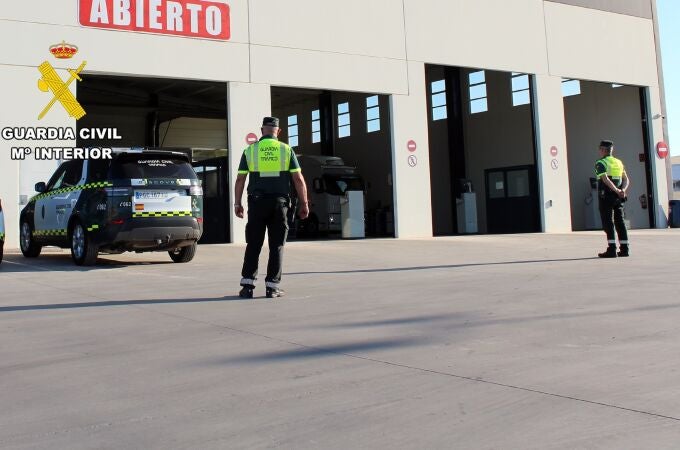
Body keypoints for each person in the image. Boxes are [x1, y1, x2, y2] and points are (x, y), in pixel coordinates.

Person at [234, 117, 309, 298]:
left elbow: (240, 179)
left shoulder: (250, 151)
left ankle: (247, 287)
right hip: (279, 205)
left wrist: (237, 203)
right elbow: (298, 179)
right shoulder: (286, 150)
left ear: (262, 130)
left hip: (257, 203)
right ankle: (272, 287)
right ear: (279, 131)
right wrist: (304, 203)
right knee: (276, 245)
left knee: (254, 244)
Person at [594, 140, 630, 258]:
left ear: (603, 150)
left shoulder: (601, 163)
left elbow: (605, 179)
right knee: (620, 221)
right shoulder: (619, 162)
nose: (599, 151)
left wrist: (615, 190)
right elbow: (626, 179)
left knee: (608, 222)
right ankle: (624, 249)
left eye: (600, 149)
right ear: (612, 150)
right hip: (618, 197)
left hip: (606, 196)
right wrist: (622, 190)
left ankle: (612, 249)